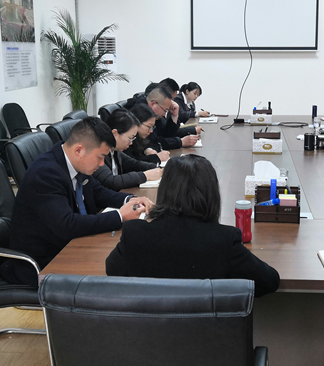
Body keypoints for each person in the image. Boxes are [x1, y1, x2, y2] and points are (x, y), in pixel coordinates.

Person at [0, 116, 153, 287]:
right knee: (116, 280)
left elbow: (98, 192)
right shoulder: (45, 174)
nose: (102, 164)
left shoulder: (74, 162)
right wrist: (120, 216)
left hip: (72, 246)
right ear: (79, 150)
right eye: (100, 157)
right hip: (44, 263)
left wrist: (131, 199)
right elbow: (66, 225)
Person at [106, 154, 280, 297]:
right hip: (206, 330)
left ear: (164, 190)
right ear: (212, 194)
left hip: (148, 329)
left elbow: (112, 270)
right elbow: (269, 281)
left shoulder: (135, 233)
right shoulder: (223, 240)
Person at [94, 108, 164, 191]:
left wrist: (159, 168)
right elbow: (112, 181)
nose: (131, 143)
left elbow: (134, 164)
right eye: (130, 138)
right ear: (115, 133)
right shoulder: (97, 152)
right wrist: (145, 176)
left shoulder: (115, 151)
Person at [125, 85, 200, 149]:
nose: (164, 114)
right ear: (153, 104)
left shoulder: (156, 113)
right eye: (165, 110)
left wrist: (175, 116)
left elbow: (166, 134)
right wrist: (181, 142)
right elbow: (154, 142)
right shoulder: (140, 112)